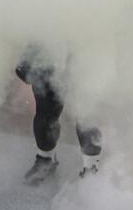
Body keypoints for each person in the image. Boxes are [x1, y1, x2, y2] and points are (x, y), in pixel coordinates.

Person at [15, 48, 102, 184]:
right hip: (49, 49)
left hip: (85, 46)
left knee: (86, 111)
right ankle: (46, 160)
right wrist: (26, 55)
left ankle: (91, 168)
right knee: (45, 112)